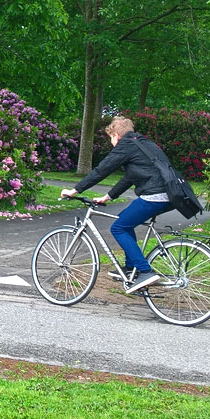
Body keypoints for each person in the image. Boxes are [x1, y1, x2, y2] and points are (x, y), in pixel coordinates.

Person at [61, 116, 173, 293]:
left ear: (116, 135)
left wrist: (75, 190)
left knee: (118, 228)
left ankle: (145, 271)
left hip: (155, 195)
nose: (111, 142)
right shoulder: (142, 143)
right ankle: (131, 269)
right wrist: (108, 196)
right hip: (169, 195)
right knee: (124, 221)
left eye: (111, 137)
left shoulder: (126, 145)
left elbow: (102, 169)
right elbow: (131, 176)